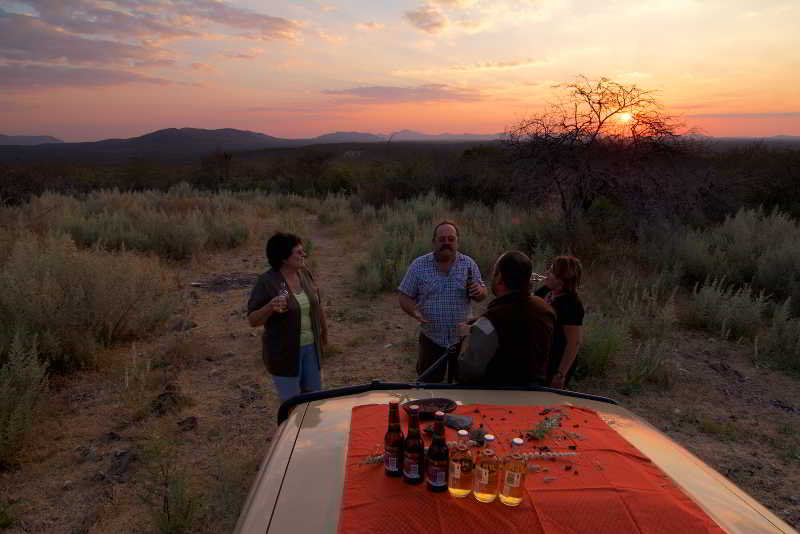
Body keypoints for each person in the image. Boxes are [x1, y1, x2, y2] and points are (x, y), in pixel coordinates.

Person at [398, 220, 488, 382]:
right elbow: (404, 295)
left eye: (451, 239)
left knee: (463, 384)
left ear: (457, 241)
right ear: (434, 242)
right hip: (431, 338)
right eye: (442, 239)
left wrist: (479, 291)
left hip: (462, 339)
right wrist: (415, 311)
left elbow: (482, 293)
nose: (446, 243)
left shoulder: (468, 264)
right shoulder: (419, 265)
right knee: (428, 386)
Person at [247, 232, 328, 402]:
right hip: (285, 354)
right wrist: (270, 307)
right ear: (284, 258)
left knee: (314, 402)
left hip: (311, 349)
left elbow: (316, 303)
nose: (304, 255)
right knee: (292, 407)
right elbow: (253, 320)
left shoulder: (304, 273)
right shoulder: (267, 282)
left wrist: (324, 331)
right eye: (298, 252)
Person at [456, 251, 556, 386]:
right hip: (537, 396)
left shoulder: (490, 321)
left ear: (500, 279)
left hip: (499, 399)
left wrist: (467, 338)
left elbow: (468, 372)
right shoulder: (545, 309)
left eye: (494, 272)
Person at [534, 255, 584, 389]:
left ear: (562, 279)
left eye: (551, 272)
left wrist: (560, 374)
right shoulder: (545, 291)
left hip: (554, 363)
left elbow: (574, 343)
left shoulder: (572, 305)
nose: (546, 274)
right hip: (538, 358)